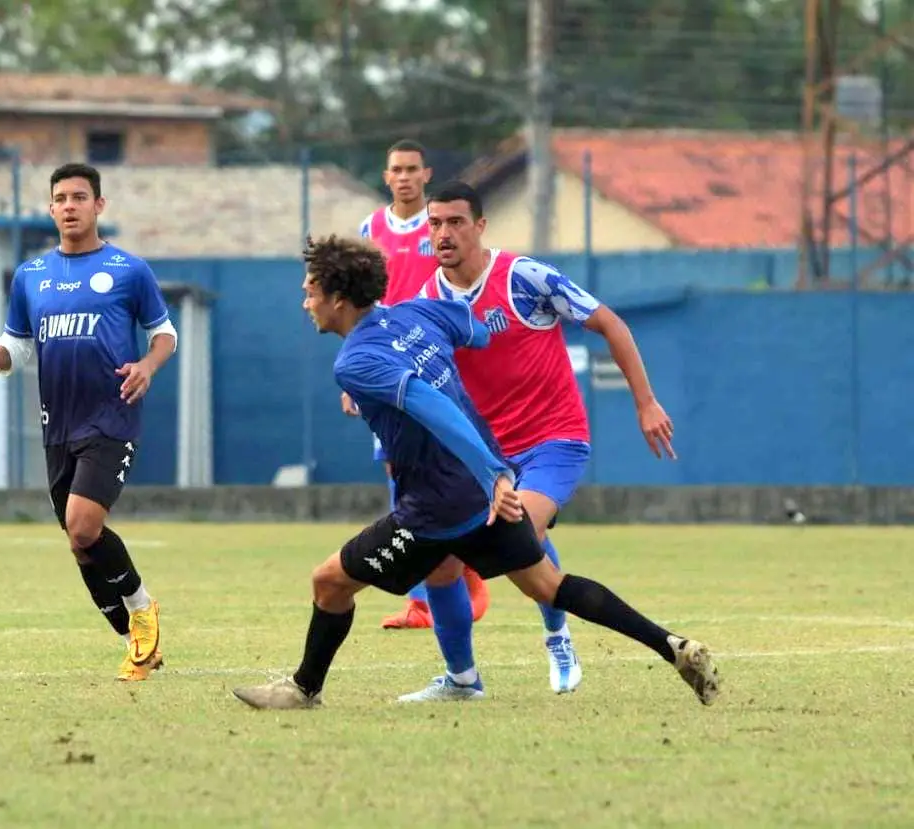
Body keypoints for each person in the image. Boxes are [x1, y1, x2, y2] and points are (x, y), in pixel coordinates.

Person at [229, 234, 720, 711]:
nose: (305, 303)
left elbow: (431, 403)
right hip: (480, 496)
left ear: (338, 299)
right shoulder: (414, 314)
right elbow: (477, 330)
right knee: (548, 585)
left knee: (329, 583)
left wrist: (493, 475)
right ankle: (671, 645)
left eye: (310, 292)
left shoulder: (354, 360)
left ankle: (303, 689)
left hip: (436, 508)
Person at [395, 181, 678, 700]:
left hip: (554, 440)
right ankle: (462, 679)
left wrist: (645, 403)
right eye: (435, 224)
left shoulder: (525, 277)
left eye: (456, 222)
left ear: (480, 226)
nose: (444, 233)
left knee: (514, 527)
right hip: (485, 458)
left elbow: (609, 323)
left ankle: (557, 634)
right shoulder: (427, 303)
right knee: (441, 561)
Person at [0, 162, 177, 682]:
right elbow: (19, 344)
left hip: (111, 416)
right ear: (50, 209)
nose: (69, 206)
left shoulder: (129, 270)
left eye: (79, 197)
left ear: (99, 206)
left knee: (84, 524)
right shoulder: (31, 276)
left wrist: (147, 367)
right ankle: (136, 640)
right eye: (61, 198)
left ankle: (143, 607)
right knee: (79, 541)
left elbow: (164, 334)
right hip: (57, 423)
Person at [352, 138, 493, 630]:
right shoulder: (369, 229)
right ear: (386, 176)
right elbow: (356, 303)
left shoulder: (440, 228)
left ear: (426, 173)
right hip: (386, 366)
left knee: (455, 460)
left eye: (413, 168)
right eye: (397, 169)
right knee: (399, 469)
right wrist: (356, 381)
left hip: (433, 358)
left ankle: (467, 569)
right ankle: (422, 598)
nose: (405, 176)